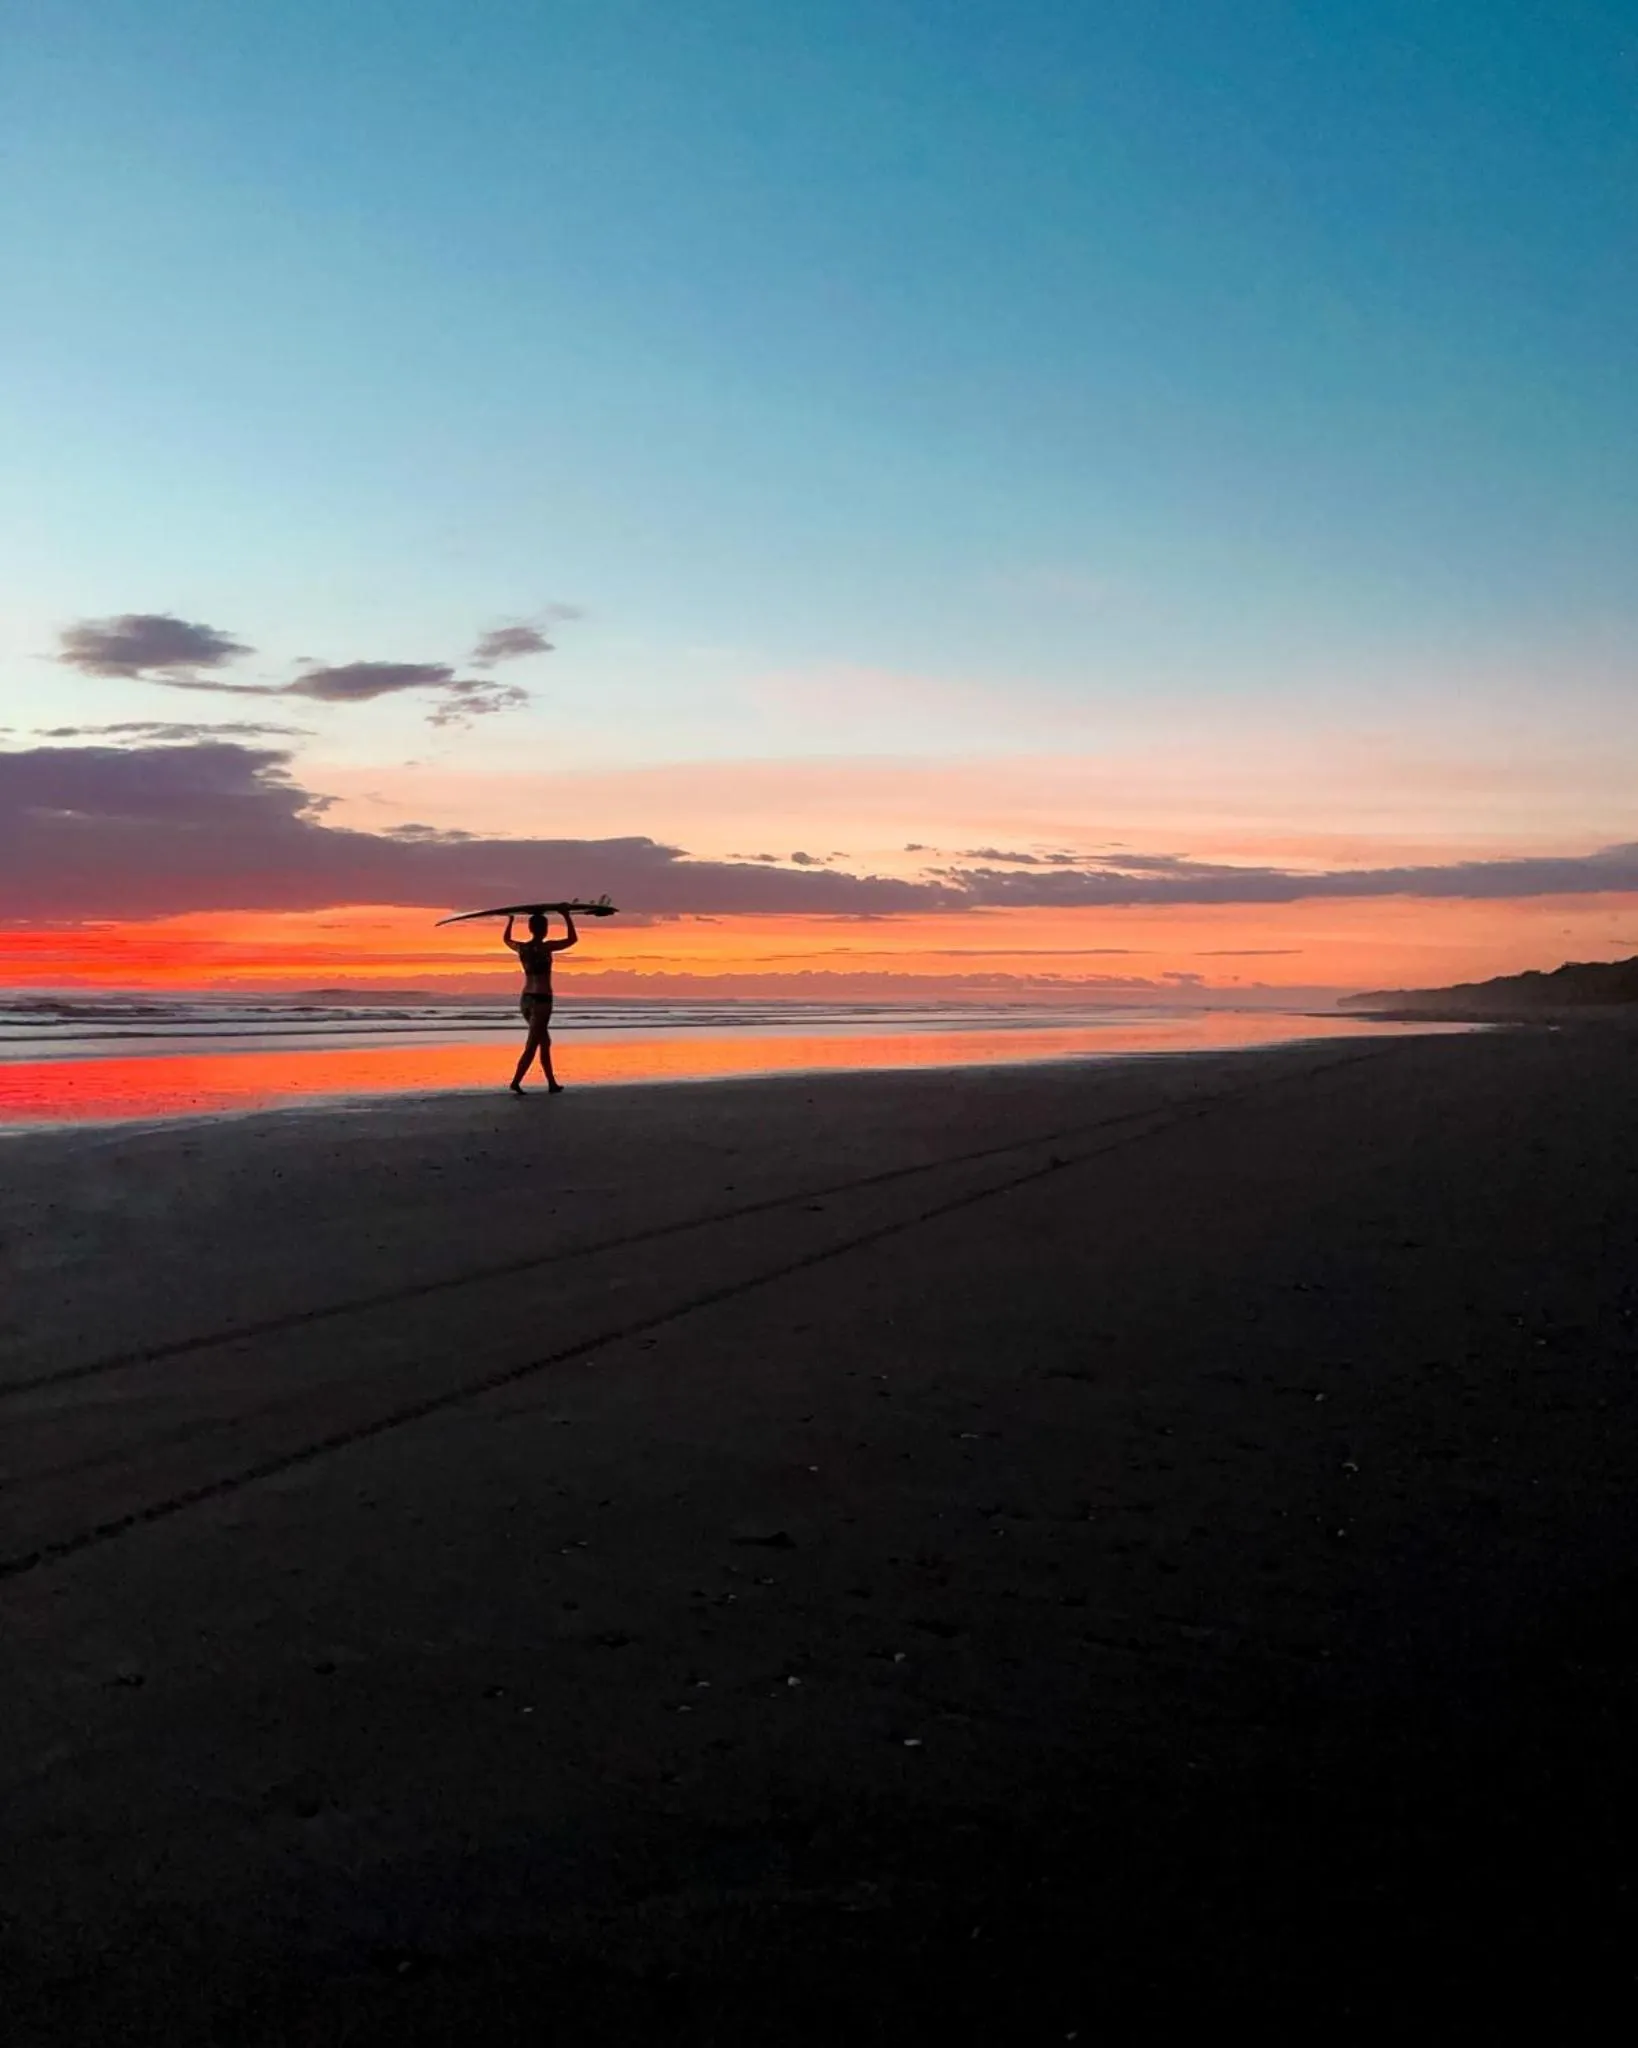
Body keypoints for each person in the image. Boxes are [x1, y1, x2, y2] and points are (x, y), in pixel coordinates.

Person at [503, 908, 577, 1094]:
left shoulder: (522, 948)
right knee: (533, 1044)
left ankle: (552, 1083)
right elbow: (572, 940)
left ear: (529, 928)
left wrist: (510, 921)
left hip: (525, 1000)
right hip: (542, 1000)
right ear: (545, 929)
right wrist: (566, 915)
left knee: (544, 1041)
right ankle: (515, 1081)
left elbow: (506, 940)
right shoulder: (546, 947)